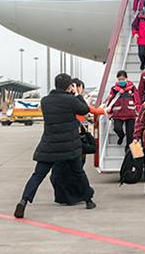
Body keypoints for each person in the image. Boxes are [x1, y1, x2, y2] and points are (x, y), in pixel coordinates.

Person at [14, 73, 95, 218]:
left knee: (37, 175)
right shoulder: (71, 100)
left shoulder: (45, 101)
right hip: (69, 146)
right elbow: (84, 109)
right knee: (78, 173)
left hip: (49, 146)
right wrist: (77, 94)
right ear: (70, 86)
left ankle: (23, 200)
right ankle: (88, 200)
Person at [106, 70, 140, 147]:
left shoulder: (132, 88)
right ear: (117, 79)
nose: (121, 81)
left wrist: (138, 111)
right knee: (117, 128)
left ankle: (128, 151)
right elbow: (111, 100)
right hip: (118, 113)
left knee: (130, 135)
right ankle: (121, 136)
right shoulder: (114, 89)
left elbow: (137, 100)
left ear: (126, 78)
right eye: (119, 79)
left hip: (130, 114)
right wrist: (109, 111)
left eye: (123, 79)